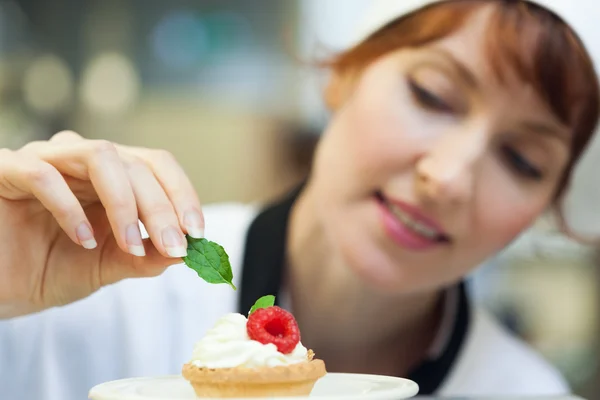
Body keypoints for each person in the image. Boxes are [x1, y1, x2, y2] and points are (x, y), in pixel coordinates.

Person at [1, 0, 599, 398]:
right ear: (342, 74)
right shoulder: (96, 299)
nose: (447, 178)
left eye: (523, 160)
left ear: (548, 204)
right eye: (432, 95)